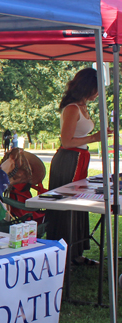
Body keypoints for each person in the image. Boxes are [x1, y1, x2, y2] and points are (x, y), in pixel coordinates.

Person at [45, 67, 112, 266]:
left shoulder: (82, 106)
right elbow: (66, 141)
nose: (98, 93)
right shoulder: (73, 108)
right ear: (87, 87)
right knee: (68, 206)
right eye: (96, 89)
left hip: (79, 158)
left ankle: (75, 252)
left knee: (79, 204)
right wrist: (94, 137)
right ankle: (63, 253)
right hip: (68, 160)